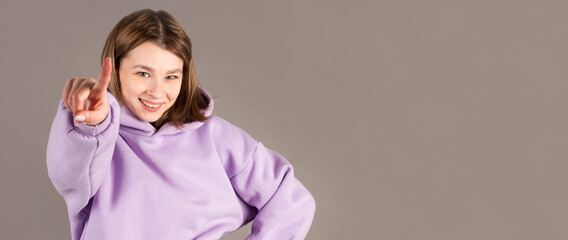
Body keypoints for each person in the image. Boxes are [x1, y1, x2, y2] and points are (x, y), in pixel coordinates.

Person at [46, 9, 316, 240]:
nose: (157, 91)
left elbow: (291, 201)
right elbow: (68, 175)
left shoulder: (216, 137)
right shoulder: (100, 139)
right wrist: (90, 127)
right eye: (143, 73)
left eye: (171, 76)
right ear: (115, 69)